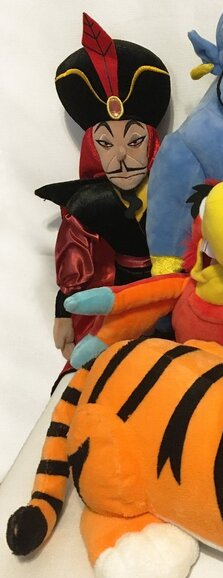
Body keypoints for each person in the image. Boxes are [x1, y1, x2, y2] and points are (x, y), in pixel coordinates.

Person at [35, 13, 170, 376]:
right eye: (106, 143)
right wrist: (64, 311)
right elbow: (75, 256)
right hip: (115, 301)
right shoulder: (90, 204)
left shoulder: (172, 193)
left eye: (135, 140)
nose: (121, 156)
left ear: (152, 142)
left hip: (168, 297)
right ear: (91, 149)